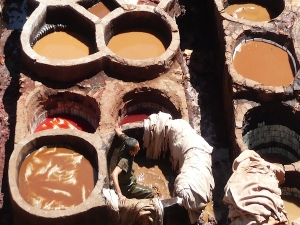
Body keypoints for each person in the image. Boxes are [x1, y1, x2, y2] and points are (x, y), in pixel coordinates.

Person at [111, 127, 154, 205]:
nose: (139, 149)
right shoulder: (124, 161)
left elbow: (118, 132)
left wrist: (118, 130)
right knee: (150, 193)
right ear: (131, 152)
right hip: (126, 186)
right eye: (137, 148)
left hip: (128, 178)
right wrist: (120, 195)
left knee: (133, 175)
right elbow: (114, 174)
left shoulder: (127, 141)